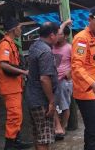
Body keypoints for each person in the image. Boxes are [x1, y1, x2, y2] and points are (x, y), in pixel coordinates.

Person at [71, 6, 95, 150]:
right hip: (86, 92)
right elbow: (76, 67)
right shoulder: (81, 39)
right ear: (90, 19)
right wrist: (94, 85)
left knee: (91, 131)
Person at [0, 17, 32, 150]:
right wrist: (24, 72)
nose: (21, 30)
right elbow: (4, 65)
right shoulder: (5, 44)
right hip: (9, 87)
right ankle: (9, 146)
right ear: (13, 29)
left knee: (17, 116)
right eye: (19, 27)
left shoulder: (11, 43)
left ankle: (16, 141)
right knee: (14, 117)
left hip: (14, 86)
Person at [25, 22, 59, 150]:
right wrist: (51, 101)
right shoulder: (46, 52)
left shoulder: (35, 46)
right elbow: (44, 79)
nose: (58, 37)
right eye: (57, 34)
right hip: (41, 100)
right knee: (44, 139)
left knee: (38, 134)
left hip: (32, 97)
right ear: (51, 35)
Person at [52, 20, 73, 140]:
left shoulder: (69, 48)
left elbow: (76, 65)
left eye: (59, 34)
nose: (56, 35)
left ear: (65, 36)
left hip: (64, 82)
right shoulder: (51, 46)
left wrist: (69, 73)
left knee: (65, 106)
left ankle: (63, 128)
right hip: (52, 81)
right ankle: (57, 125)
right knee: (52, 104)